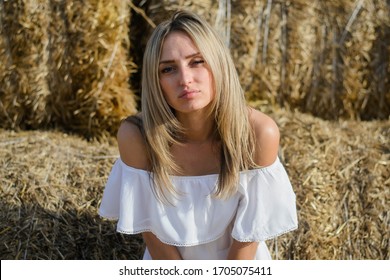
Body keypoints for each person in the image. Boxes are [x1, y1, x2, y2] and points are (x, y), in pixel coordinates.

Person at [99, 10, 298, 260]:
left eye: (197, 62)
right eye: (168, 69)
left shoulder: (258, 133)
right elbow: (150, 231)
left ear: (218, 63)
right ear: (155, 80)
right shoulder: (137, 136)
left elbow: (247, 239)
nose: (185, 79)